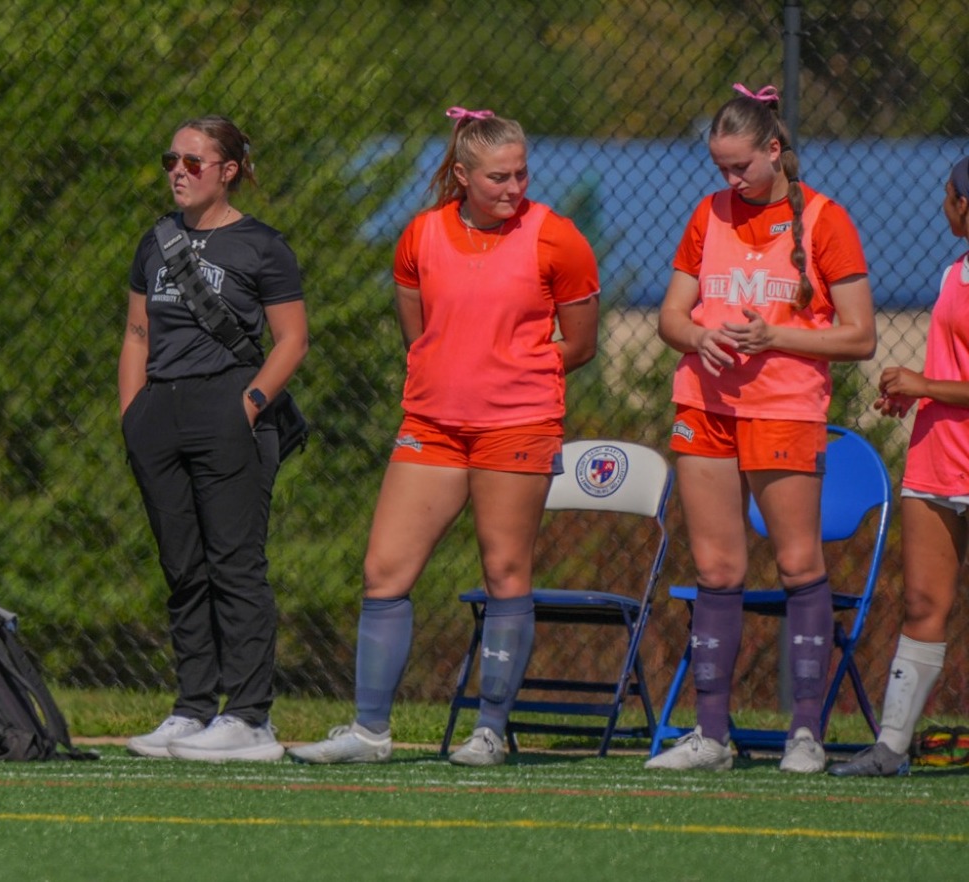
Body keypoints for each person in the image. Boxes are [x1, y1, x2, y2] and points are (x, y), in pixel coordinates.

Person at [290, 106, 599, 767]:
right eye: (497, 178)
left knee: (505, 572)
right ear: (462, 175)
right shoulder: (420, 235)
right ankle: (370, 732)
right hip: (431, 425)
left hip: (517, 425)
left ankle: (488, 731)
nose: (513, 188)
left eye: (520, 175)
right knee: (384, 571)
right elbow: (418, 330)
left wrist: (512, 370)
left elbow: (581, 343)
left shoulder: (557, 238)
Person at [647, 84, 876, 773]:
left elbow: (860, 336)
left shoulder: (826, 221)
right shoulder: (707, 213)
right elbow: (669, 317)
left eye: (741, 165)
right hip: (705, 407)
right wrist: (697, 339)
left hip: (783, 408)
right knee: (718, 568)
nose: (730, 180)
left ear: (774, 150)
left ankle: (805, 733)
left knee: (799, 564)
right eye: (720, 167)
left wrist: (773, 335)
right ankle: (711, 734)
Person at [119, 114, 308, 762]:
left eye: (193, 162)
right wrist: (131, 414)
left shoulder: (262, 246)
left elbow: (292, 341)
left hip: (228, 408)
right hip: (159, 415)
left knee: (235, 565)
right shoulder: (156, 240)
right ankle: (193, 707)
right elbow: (137, 334)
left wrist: (249, 405)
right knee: (183, 567)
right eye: (171, 158)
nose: (177, 170)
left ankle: (249, 716)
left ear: (227, 171)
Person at [830, 157, 969, 776]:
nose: (943, 206)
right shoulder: (952, 273)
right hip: (937, 461)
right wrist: (916, 393)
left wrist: (926, 383)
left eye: (947, 196)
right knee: (921, 602)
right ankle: (891, 748)